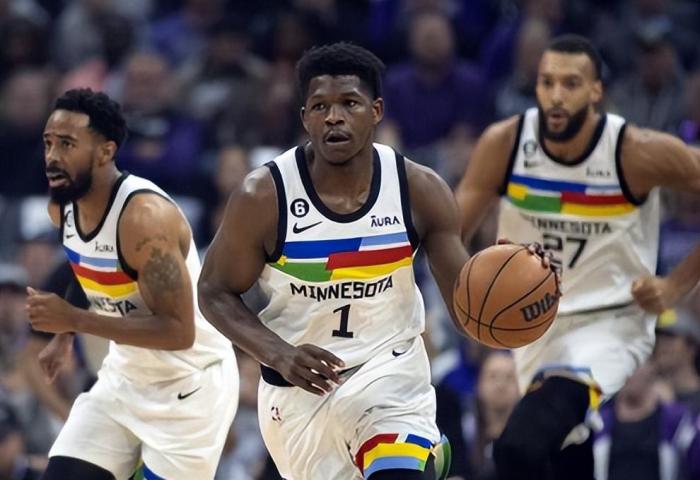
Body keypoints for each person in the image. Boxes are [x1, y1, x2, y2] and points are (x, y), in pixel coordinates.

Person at [197, 42, 482, 480]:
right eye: (320, 106)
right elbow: (213, 292)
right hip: (299, 390)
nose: (334, 116)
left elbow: (469, 313)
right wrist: (278, 353)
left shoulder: (419, 189)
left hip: (389, 373)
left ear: (376, 111)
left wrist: (511, 283)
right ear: (304, 118)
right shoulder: (263, 196)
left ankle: (414, 456)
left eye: (349, 103)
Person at [455, 34, 700, 480]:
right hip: (532, 322)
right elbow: (450, 233)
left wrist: (676, 284)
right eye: (547, 82)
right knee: (563, 454)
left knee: (518, 447)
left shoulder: (634, 151)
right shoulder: (505, 143)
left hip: (609, 322)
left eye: (570, 83)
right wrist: (470, 300)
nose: (556, 95)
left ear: (595, 91)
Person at [25, 88, 238, 480]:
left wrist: (74, 319)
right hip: (124, 378)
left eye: (67, 144)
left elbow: (178, 332)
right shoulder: (62, 206)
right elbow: (88, 264)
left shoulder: (145, 219)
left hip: (189, 388)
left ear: (105, 152)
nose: (52, 156)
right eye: (48, 142)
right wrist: (64, 335)